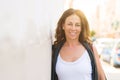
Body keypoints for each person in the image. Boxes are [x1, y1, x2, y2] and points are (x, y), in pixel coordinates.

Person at [51, 8, 106, 80]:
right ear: (63, 25)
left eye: (77, 25)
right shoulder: (55, 50)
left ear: (81, 28)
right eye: (70, 24)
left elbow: (101, 77)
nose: (73, 28)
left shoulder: (91, 49)